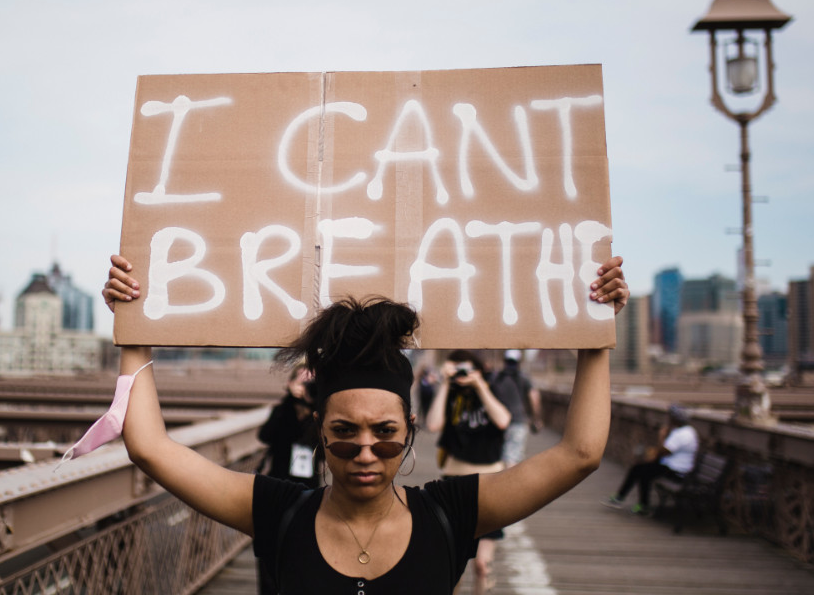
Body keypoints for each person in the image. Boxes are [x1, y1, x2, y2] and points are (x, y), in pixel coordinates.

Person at [101, 253, 627, 593]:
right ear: (321, 432)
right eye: (345, 434)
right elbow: (150, 448)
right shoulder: (277, 511)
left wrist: (595, 335)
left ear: (411, 428)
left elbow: (579, 453)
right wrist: (135, 328)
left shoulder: (452, 513)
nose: (367, 452)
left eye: (385, 434)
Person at [425, 349, 512, 595]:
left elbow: (503, 420)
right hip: (454, 482)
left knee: (482, 565)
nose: (462, 374)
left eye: (466, 368)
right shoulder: (449, 394)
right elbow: (433, 425)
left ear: (478, 368)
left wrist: (479, 385)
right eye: (456, 368)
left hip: (490, 482)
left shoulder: (492, 388)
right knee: (454, 565)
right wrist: (445, 384)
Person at [602, 403, 699, 515]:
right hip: (672, 466)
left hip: (676, 471)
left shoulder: (683, 434)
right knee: (638, 469)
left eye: (671, 417)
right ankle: (625, 499)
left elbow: (663, 452)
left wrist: (661, 436)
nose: (669, 419)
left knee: (643, 473)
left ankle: (637, 503)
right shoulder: (687, 431)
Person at [258, 364, 320, 489]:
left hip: (308, 484)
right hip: (280, 480)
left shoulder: (318, 415)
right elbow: (264, 436)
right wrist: (289, 399)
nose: (307, 386)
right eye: (303, 382)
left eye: (311, 383)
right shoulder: (283, 410)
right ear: (290, 384)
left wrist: (315, 404)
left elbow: (323, 448)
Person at [493, 350, 543, 467]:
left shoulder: (496, 378)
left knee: (499, 456)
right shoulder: (523, 378)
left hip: (498, 422)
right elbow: (534, 398)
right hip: (519, 421)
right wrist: (536, 418)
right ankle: (511, 483)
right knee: (513, 456)